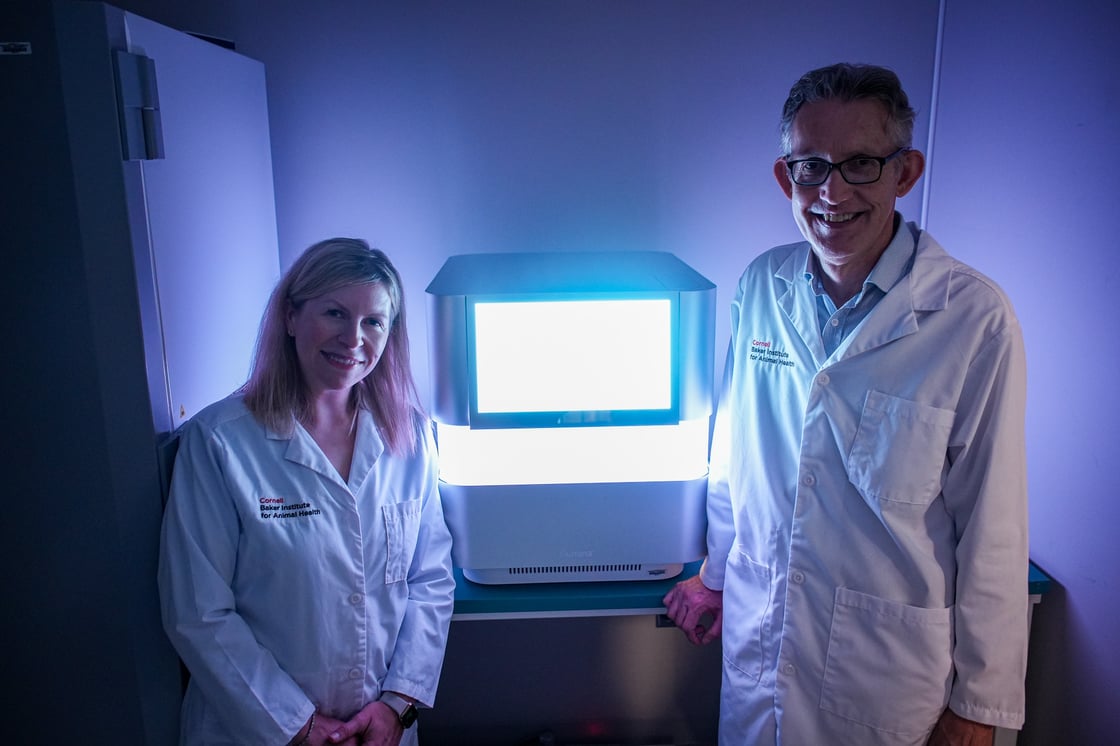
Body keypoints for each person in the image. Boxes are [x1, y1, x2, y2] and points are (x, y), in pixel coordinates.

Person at [663, 63, 1029, 745]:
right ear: (785, 178)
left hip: (882, 679)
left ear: (906, 172)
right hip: (760, 652)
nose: (831, 192)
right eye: (810, 167)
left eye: (861, 164)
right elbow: (734, 455)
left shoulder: (973, 319)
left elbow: (994, 527)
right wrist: (715, 575)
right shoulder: (762, 285)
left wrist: (980, 704)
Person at [159, 238, 455, 746]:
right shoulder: (221, 441)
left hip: (379, 729)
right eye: (335, 313)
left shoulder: (409, 437)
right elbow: (198, 611)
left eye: (373, 322)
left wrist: (396, 706)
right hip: (254, 729)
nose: (353, 338)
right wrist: (295, 724)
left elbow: (429, 580)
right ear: (291, 316)